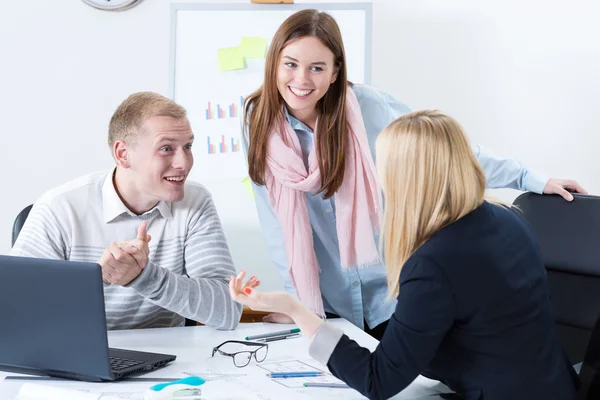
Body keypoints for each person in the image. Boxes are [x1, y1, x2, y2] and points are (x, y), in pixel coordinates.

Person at [242, 9, 586, 337]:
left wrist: (529, 179)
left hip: (392, 296)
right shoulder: (256, 123)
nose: (301, 79)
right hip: (327, 303)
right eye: (290, 64)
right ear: (274, 65)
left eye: (317, 67)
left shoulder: (369, 109)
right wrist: (299, 304)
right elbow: (276, 221)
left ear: (335, 72)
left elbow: (446, 153)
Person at [231, 110, 579, 400]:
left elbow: (377, 381)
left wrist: (296, 309)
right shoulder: (507, 218)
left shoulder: (434, 264)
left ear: (406, 177)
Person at [11, 92, 247, 330]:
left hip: (170, 360)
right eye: (166, 148)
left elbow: (227, 312)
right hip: (77, 358)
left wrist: (145, 277)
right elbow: (16, 312)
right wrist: (95, 279)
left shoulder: (195, 202)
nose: (184, 163)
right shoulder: (59, 208)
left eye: (187, 146)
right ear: (123, 154)